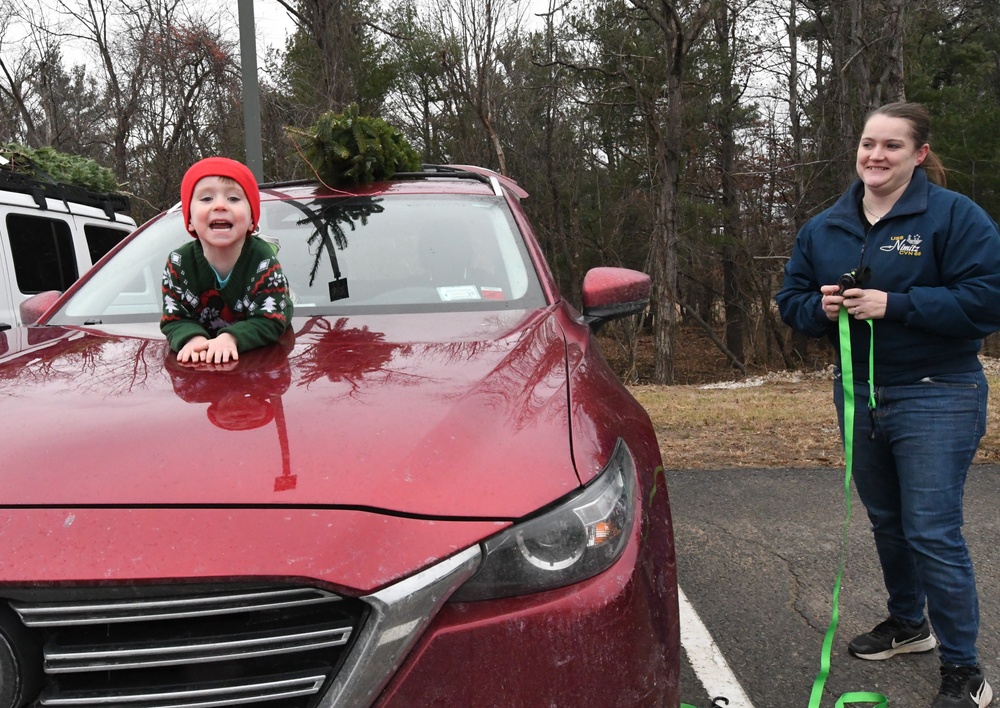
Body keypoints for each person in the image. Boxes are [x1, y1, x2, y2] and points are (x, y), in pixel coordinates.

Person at [776, 101, 1000, 708]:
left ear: (920, 154)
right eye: (868, 143)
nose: (875, 155)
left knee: (933, 530)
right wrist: (816, 310)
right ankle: (910, 625)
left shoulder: (955, 218)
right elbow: (789, 298)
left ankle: (965, 670)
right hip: (857, 394)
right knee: (890, 524)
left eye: (892, 146)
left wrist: (895, 304)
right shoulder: (826, 226)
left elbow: (986, 302)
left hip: (937, 393)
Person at [161, 156, 292, 363]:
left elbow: (270, 321)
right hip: (203, 370)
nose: (220, 205)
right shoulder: (179, 263)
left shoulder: (263, 261)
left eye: (233, 198)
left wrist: (231, 338)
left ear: (251, 220)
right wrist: (192, 338)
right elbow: (175, 318)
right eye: (206, 199)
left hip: (258, 365)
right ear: (190, 220)